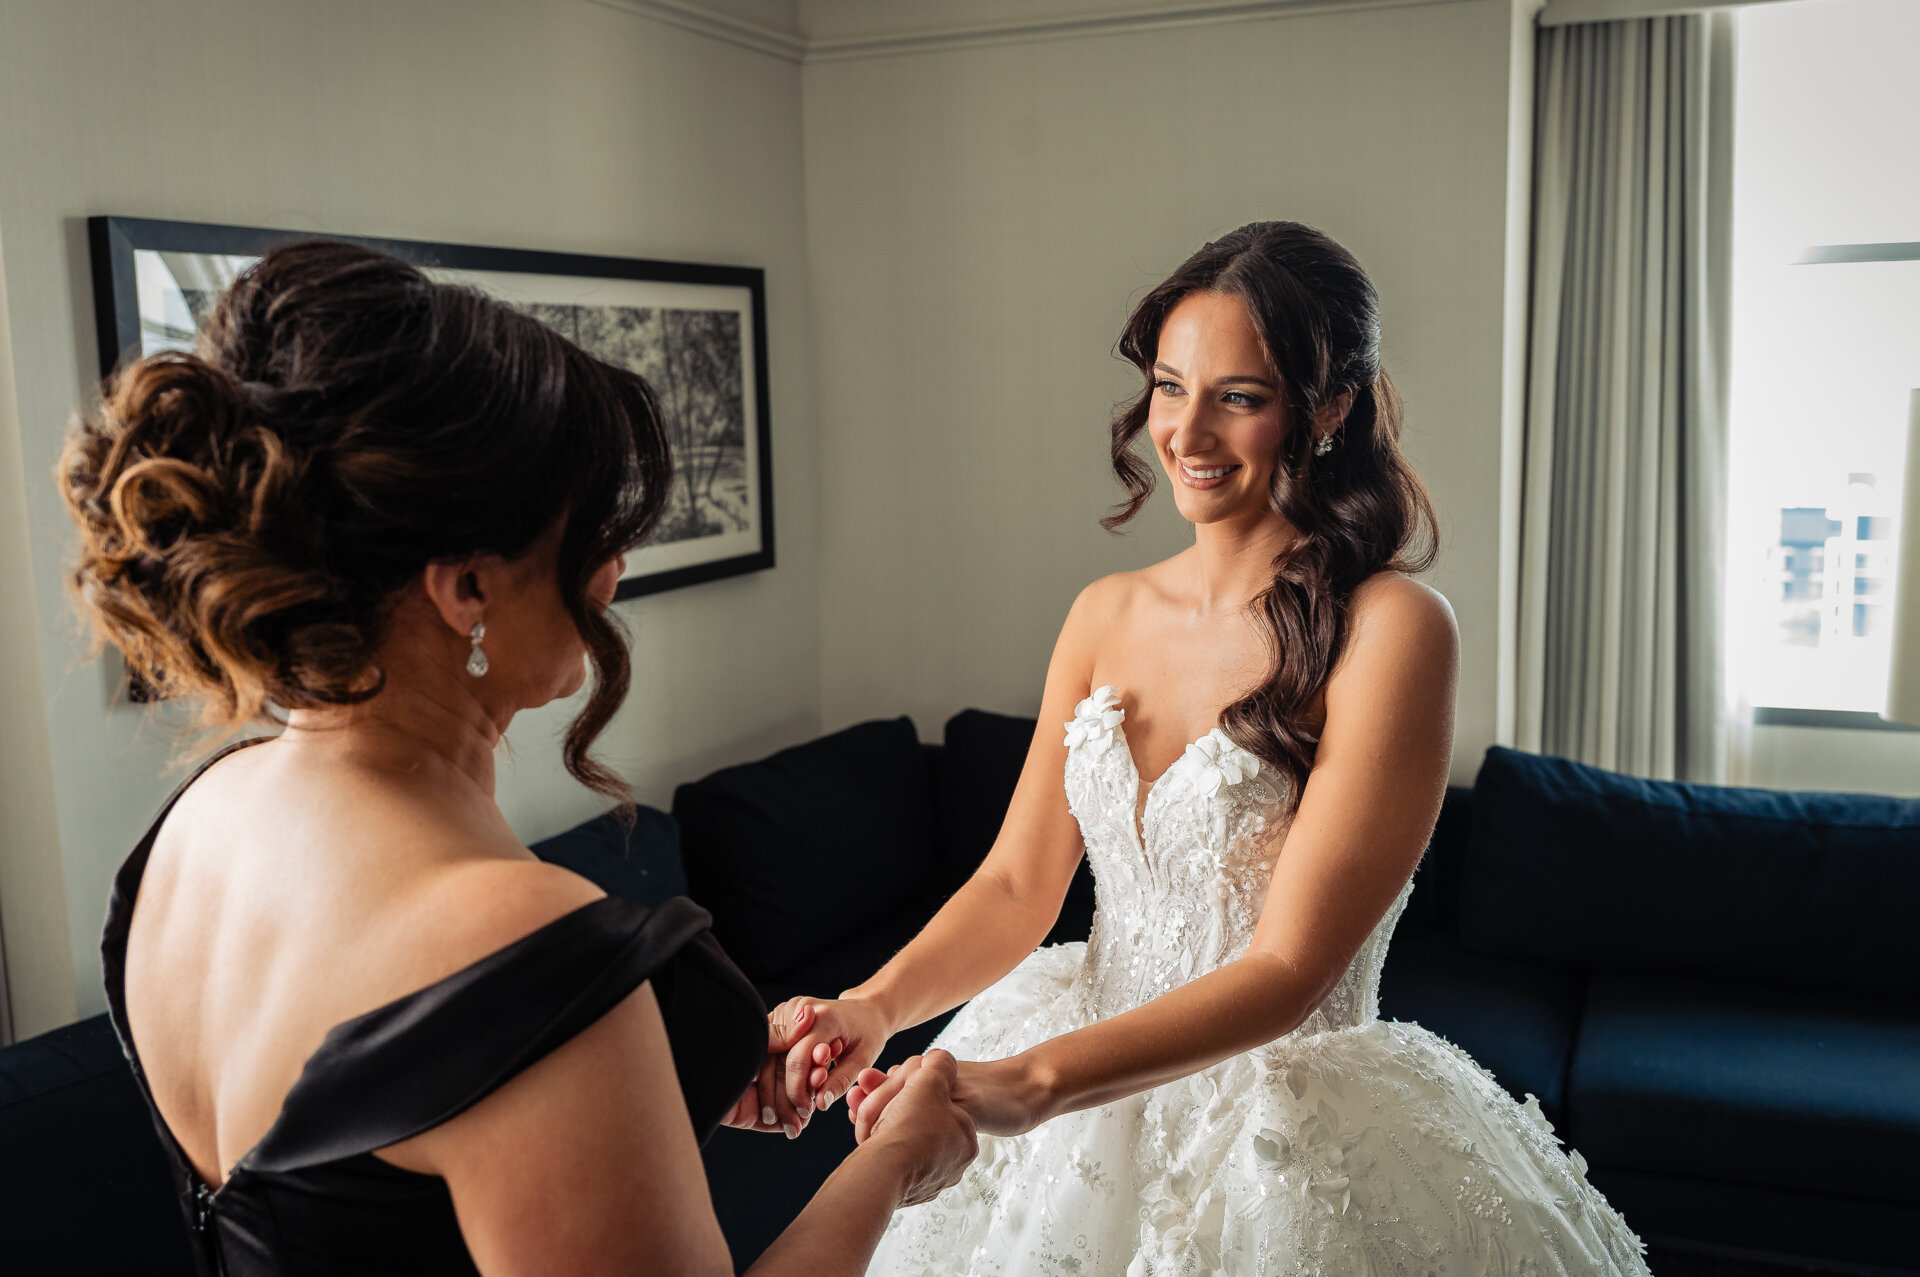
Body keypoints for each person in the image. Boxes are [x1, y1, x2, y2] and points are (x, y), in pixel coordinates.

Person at [59, 240, 975, 1277]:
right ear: (468, 590)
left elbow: (367, 1180)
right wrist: (898, 1160)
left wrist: (633, 1084)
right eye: (590, 530)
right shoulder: (519, 948)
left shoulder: (197, 822)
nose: (616, 568)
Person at [772, 223, 1652, 1274]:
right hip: (1073, 1073)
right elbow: (1016, 884)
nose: (1187, 432)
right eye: (1169, 386)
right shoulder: (1104, 612)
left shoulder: (1394, 628)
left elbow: (1286, 967)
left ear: (1327, 408)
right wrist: (874, 1003)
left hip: (1275, 1124)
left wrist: (1029, 1082)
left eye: (1239, 395)